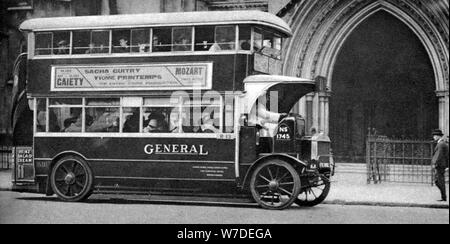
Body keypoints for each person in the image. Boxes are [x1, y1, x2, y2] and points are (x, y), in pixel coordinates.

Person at [431, 129, 449, 202]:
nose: (433, 137)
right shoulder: (442, 143)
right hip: (442, 165)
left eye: (435, 136)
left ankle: (444, 197)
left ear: (438, 136)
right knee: (439, 181)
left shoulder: (441, 144)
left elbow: (439, 155)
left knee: (438, 181)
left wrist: (434, 164)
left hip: (440, 165)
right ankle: (443, 197)